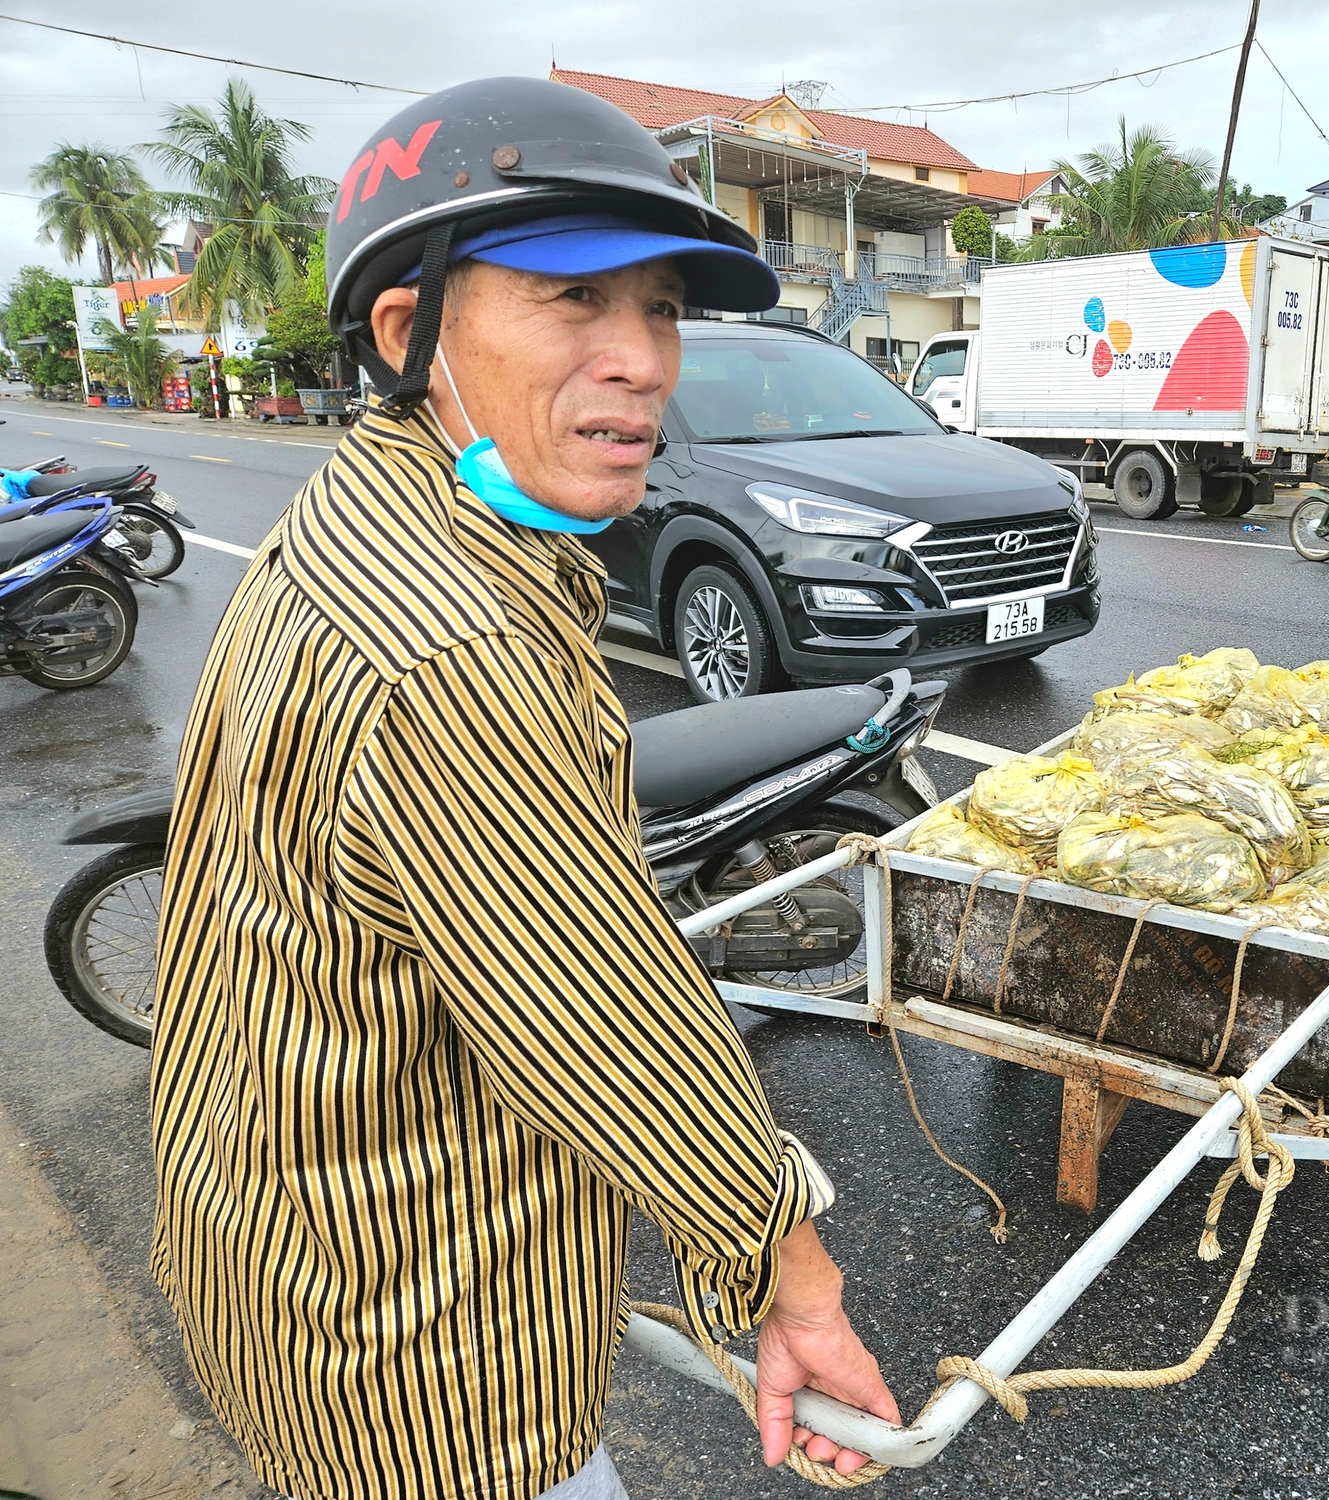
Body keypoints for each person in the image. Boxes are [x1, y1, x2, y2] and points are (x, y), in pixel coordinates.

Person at [149, 77, 898, 1500]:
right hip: (419, 1371)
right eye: (574, 301)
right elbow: (610, 1022)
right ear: (408, 332)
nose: (643, 360)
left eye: (663, 309)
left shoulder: (368, 514)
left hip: (282, 1265)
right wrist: (790, 1277)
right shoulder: (453, 642)